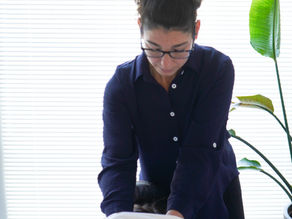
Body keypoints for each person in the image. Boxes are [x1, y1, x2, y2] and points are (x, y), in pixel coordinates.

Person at [98, 0, 245, 218]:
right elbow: (118, 162)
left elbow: (200, 149)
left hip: (213, 187)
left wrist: (175, 214)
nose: (165, 64)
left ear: (196, 31)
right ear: (140, 27)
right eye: (154, 49)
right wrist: (118, 215)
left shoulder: (216, 70)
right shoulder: (122, 87)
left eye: (178, 50)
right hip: (154, 193)